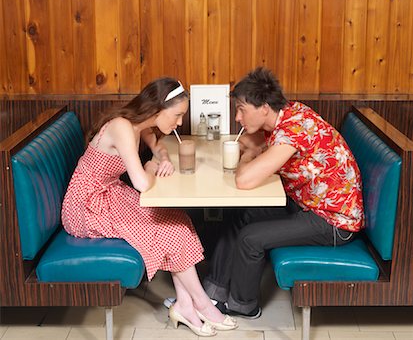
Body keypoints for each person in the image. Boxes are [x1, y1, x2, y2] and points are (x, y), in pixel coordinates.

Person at [61, 77, 237, 336]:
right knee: (170, 229)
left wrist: (161, 159)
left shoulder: (138, 125)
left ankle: (185, 304)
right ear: (157, 108)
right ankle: (201, 303)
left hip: (109, 194)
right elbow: (143, 183)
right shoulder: (122, 126)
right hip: (86, 205)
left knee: (178, 219)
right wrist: (151, 167)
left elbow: (159, 149)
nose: (179, 122)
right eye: (177, 115)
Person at [202, 67, 364, 318]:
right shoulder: (287, 114)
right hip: (306, 205)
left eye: (242, 110)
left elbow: (245, 179)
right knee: (238, 215)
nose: (237, 118)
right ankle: (212, 294)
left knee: (249, 238)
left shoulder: (293, 130)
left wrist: (247, 159)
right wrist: (252, 153)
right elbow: (251, 144)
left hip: (334, 222)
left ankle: (242, 306)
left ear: (264, 108)